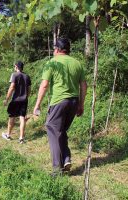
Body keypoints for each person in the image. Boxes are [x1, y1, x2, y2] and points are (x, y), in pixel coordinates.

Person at [33, 38, 87, 175]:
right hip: (74, 102)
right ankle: (67, 157)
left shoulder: (51, 63)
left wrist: (37, 105)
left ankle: (57, 169)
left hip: (59, 102)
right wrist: (81, 104)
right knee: (61, 131)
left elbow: (44, 85)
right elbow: (84, 86)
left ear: (57, 49)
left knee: (52, 130)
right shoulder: (77, 63)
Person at [2, 61, 31, 144]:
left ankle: (8, 135)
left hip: (15, 100)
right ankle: (21, 138)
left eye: (14, 66)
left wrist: (7, 99)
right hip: (24, 100)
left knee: (12, 117)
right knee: (22, 118)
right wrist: (25, 97)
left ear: (16, 67)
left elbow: (11, 87)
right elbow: (29, 90)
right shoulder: (27, 76)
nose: (14, 68)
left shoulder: (14, 75)